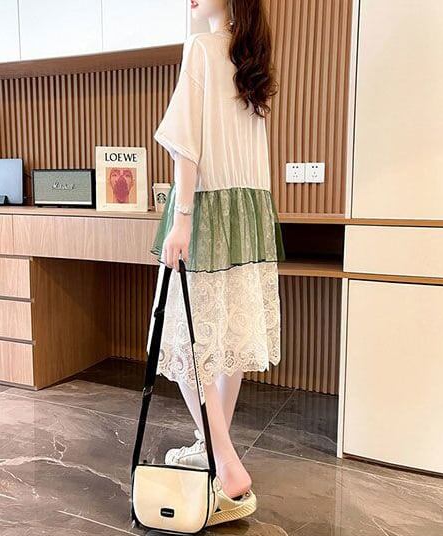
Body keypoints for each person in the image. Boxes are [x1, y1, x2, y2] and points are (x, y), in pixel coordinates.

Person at [146, 0, 285, 526]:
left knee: (185, 334)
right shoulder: (253, 63)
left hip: (205, 211)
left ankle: (222, 456)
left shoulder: (201, 49)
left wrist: (181, 219)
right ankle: (213, 448)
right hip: (246, 214)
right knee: (225, 337)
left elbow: (186, 145)